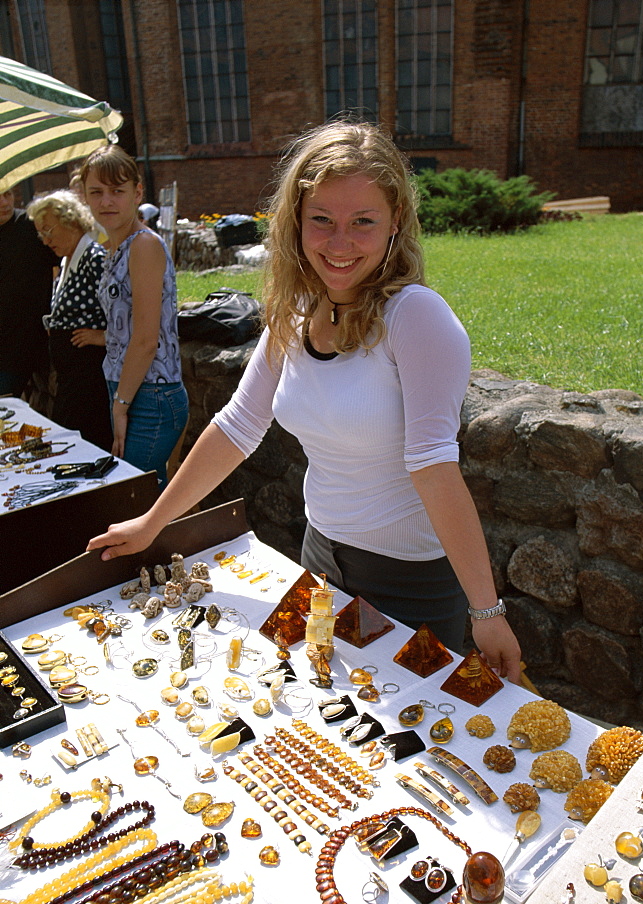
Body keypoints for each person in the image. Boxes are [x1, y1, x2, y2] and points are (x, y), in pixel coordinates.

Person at [88, 121, 521, 680]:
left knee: (406, 745)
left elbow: (434, 466)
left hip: (409, 584)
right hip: (319, 558)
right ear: (295, 222)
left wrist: (486, 611)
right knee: (313, 715)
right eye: (322, 220)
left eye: (363, 222)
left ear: (395, 227)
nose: (340, 243)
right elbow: (238, 426)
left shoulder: (416, 317)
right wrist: (153, 522)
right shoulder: (293, 311)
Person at [79, 145, 188, 489]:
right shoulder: (117, 247)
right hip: (131, 389)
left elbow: (144, 338)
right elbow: (120, 331)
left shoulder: (143, 245)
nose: (106, 201)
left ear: (137, 193)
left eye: (117, 191)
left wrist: (121, 405)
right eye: (96, 192)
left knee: (133, 499)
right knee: (148, 496)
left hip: (151, 395)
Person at [26, 190, 112, 450]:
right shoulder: (68, 260)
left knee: (87, 444)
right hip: (72, 378)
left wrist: (102, 336)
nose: (44, 240)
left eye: (48, 230)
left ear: (71, 221)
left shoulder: (93, 258)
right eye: (40, 233)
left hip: (88, 379)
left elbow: (124, 313)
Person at [0, 187, 58, 396]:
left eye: (7, 194)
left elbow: (67, 255)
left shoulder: (31, 225)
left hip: (36, 344)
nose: (5, 203)